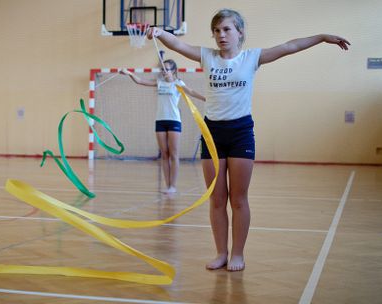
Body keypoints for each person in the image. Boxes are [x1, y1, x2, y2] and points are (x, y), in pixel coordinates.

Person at [148, 9, 350, 271]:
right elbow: (177, 43)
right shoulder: (206, 56)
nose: (221, 35)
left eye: (227, 29)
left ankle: (238, 254)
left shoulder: (252, 57)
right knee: (217, 199)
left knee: (238, 199)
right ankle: (221, 252)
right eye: (217, 30)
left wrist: (322, 36)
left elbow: (289, 46)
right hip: (212, 134)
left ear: (239, 32)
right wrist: (160, 32)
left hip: (241, 132)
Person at [120, 60, 205, 194]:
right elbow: (140, 81)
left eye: (167, 69)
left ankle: (173, 185)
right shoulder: (159, 83)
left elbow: (192, 92)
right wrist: (129, 73)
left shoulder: (178, 84)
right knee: (164, 154)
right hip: (160, 121)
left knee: (174, 154)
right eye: (163, 69)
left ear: (174, 71)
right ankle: (168, 186)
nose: (164, 72)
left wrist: (206, 98)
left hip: (174, 121)